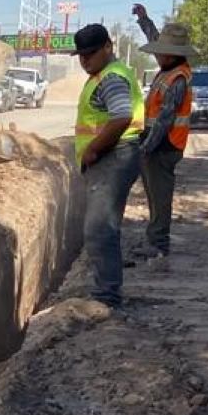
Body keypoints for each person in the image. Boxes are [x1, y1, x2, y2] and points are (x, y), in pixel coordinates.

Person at [71, 22, 145, 308]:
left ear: (108, 47)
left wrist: (93, 149)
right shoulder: (103, 75)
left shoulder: (111, 78)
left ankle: (107, 297)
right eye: (81, 55)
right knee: (101, 226)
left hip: (113, 156)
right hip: (113, 156)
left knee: (100, 228)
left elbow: (121, 117)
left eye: (90, 53)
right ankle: (106, 290)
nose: (85, 60)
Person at [130, 5, 199, 265]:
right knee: (152, 194)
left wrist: (146, 147)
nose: (158, 56)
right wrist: (144, 20)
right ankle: (153, 239)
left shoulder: (178, 79)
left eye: (162, 53)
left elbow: (165, 119)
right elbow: (154, 38)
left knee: (160, 196)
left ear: (173, 55)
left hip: (165, 145)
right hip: (157, 143)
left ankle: (158, 244)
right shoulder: (170, 70)